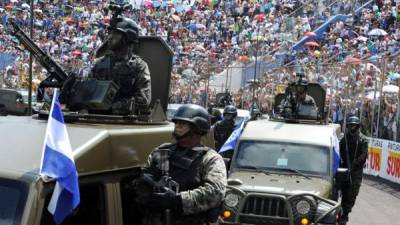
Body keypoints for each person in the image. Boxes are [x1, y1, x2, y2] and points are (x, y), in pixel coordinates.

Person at [134, 104, 227, 225]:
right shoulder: (161, 151)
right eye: (176, 123)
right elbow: (144, 177)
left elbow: (215, 192)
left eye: (182, 124)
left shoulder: (210, 158)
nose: (177, 126)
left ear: (197, 128)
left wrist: (178, 200)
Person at [90, 16, 151, 115]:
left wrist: (111, 107)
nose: (109, 37)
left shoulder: (138, 66)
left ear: (127, 38)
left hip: (124, 123)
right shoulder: (99, 64)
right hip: (96, 119)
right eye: (109, 33)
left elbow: (144, 100)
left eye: (115, 34)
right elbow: (89, 93)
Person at [338, 116, 368, 225]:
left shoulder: (362, 139)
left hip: (356, 171)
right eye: (350, 125)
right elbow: (339, 151)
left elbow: (364, 155)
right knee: (344, 192)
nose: (351, 128)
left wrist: (354, 164)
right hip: (345, 169)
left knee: (353, 193)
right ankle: (342, 214)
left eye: (353, 126)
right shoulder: (345, 139)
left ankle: (346, 212)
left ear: (357, 126)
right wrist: (342, 162)